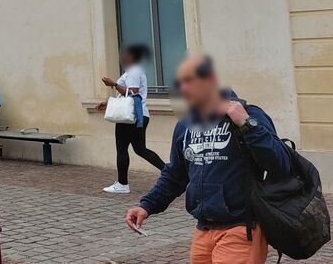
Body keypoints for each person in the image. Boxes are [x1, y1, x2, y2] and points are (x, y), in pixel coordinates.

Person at [125, 55, 291, 264]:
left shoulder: (247, 115)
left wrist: (248, 125)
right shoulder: (185, 125)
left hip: (241, 229)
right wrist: (147, 205)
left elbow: (280, 164)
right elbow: (175, 175)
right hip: (203, 230)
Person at [100, 45, 165, 193]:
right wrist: (108, 103)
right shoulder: (132, 71)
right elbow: (126, 96)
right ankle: (170, 172)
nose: (122, 57)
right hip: (138, 115)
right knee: (140, 149)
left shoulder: (134, 72)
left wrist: (114, 84)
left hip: (131, 117)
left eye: (125, 54)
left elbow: (132, 94)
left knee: (122, 148)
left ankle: (122, 184)